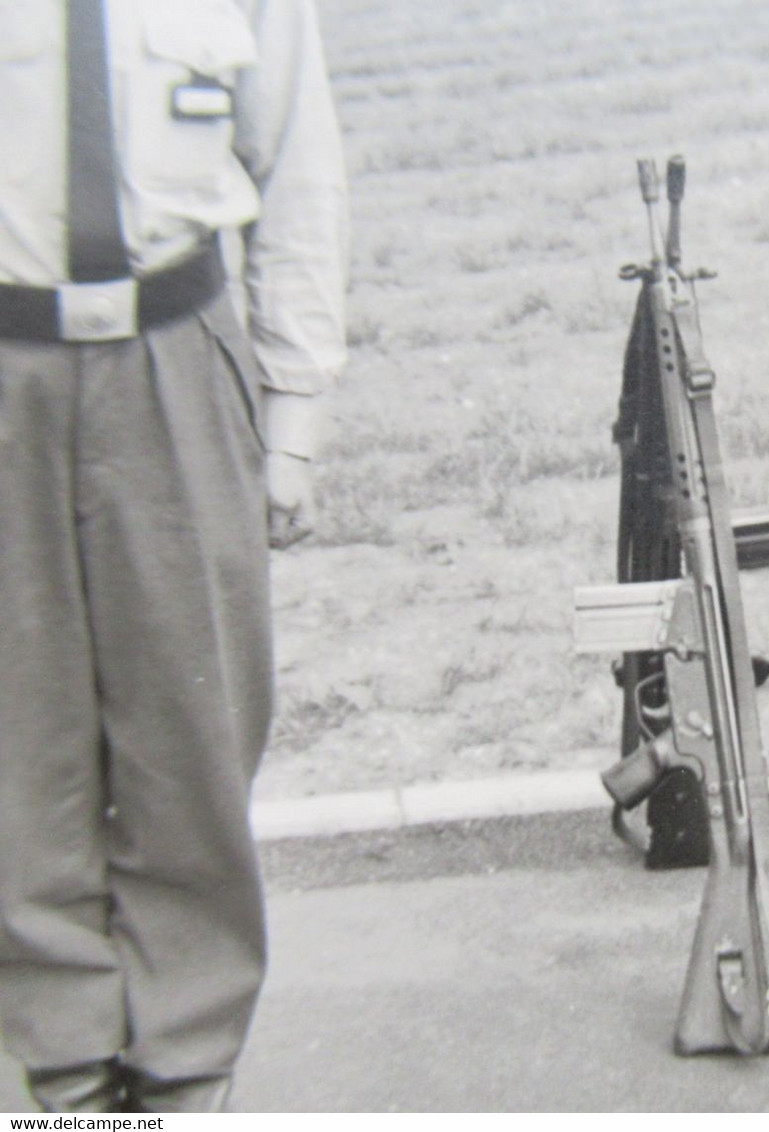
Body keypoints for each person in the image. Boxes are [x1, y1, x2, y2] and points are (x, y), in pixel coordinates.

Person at [0, 0, 347, 1113]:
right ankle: (66, 1073)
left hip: (175, 353)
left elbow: (297, 165)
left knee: (191, 734)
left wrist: (291, 418)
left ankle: (185, 1070)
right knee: (17, 742)